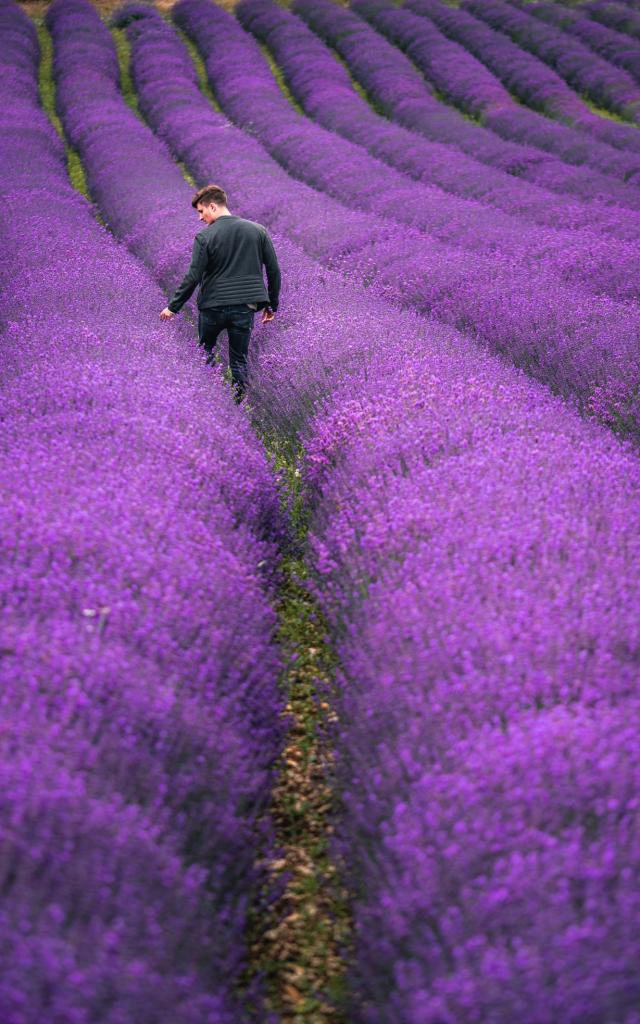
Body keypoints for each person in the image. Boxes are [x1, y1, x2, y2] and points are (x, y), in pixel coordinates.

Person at [160, 184, 281, 403]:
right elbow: (273, 271)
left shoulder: (205, 237)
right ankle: (238, 404)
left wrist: (173, 307)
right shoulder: (257, 231)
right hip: (244, 307)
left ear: (213, 206)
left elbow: (193, 276)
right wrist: (271, 305)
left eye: (201, 211)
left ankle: (210, 400)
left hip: (212, 307)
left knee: (205, 351)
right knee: (239, 360)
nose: (200, 218)